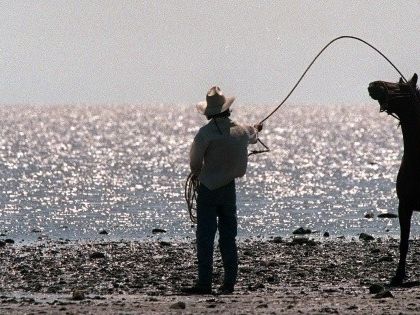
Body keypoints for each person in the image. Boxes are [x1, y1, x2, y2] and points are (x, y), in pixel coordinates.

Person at [182, 86, 263, 295]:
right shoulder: (242, 130)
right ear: (227, 109)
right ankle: (228, 283)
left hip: (208, 189)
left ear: (209, 113)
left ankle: (204, 283)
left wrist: (198, 174)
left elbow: (194, 163)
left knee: (205, 237)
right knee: (228, 236)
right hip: (229, 190)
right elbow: (253, 134)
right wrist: (256, 128)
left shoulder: (205, 134)